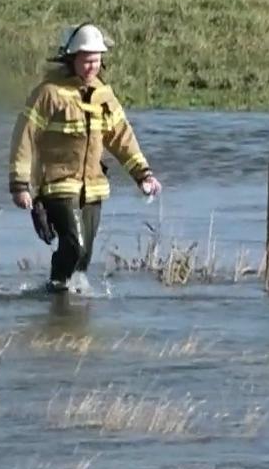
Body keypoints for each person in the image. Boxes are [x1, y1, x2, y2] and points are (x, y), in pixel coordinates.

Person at [9, 23, 161, 292]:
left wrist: (143, 175)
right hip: (58, 186)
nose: (92, 66)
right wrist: (20, 186)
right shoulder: (49, 94)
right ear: (71, 59)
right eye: (86, 60)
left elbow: (121, 137)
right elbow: (24, 137)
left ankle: (66, 311)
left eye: (96, 60)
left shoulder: (104, 95)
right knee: (75, 246)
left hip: (93, 189)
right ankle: (56, 293)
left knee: (84, 257)